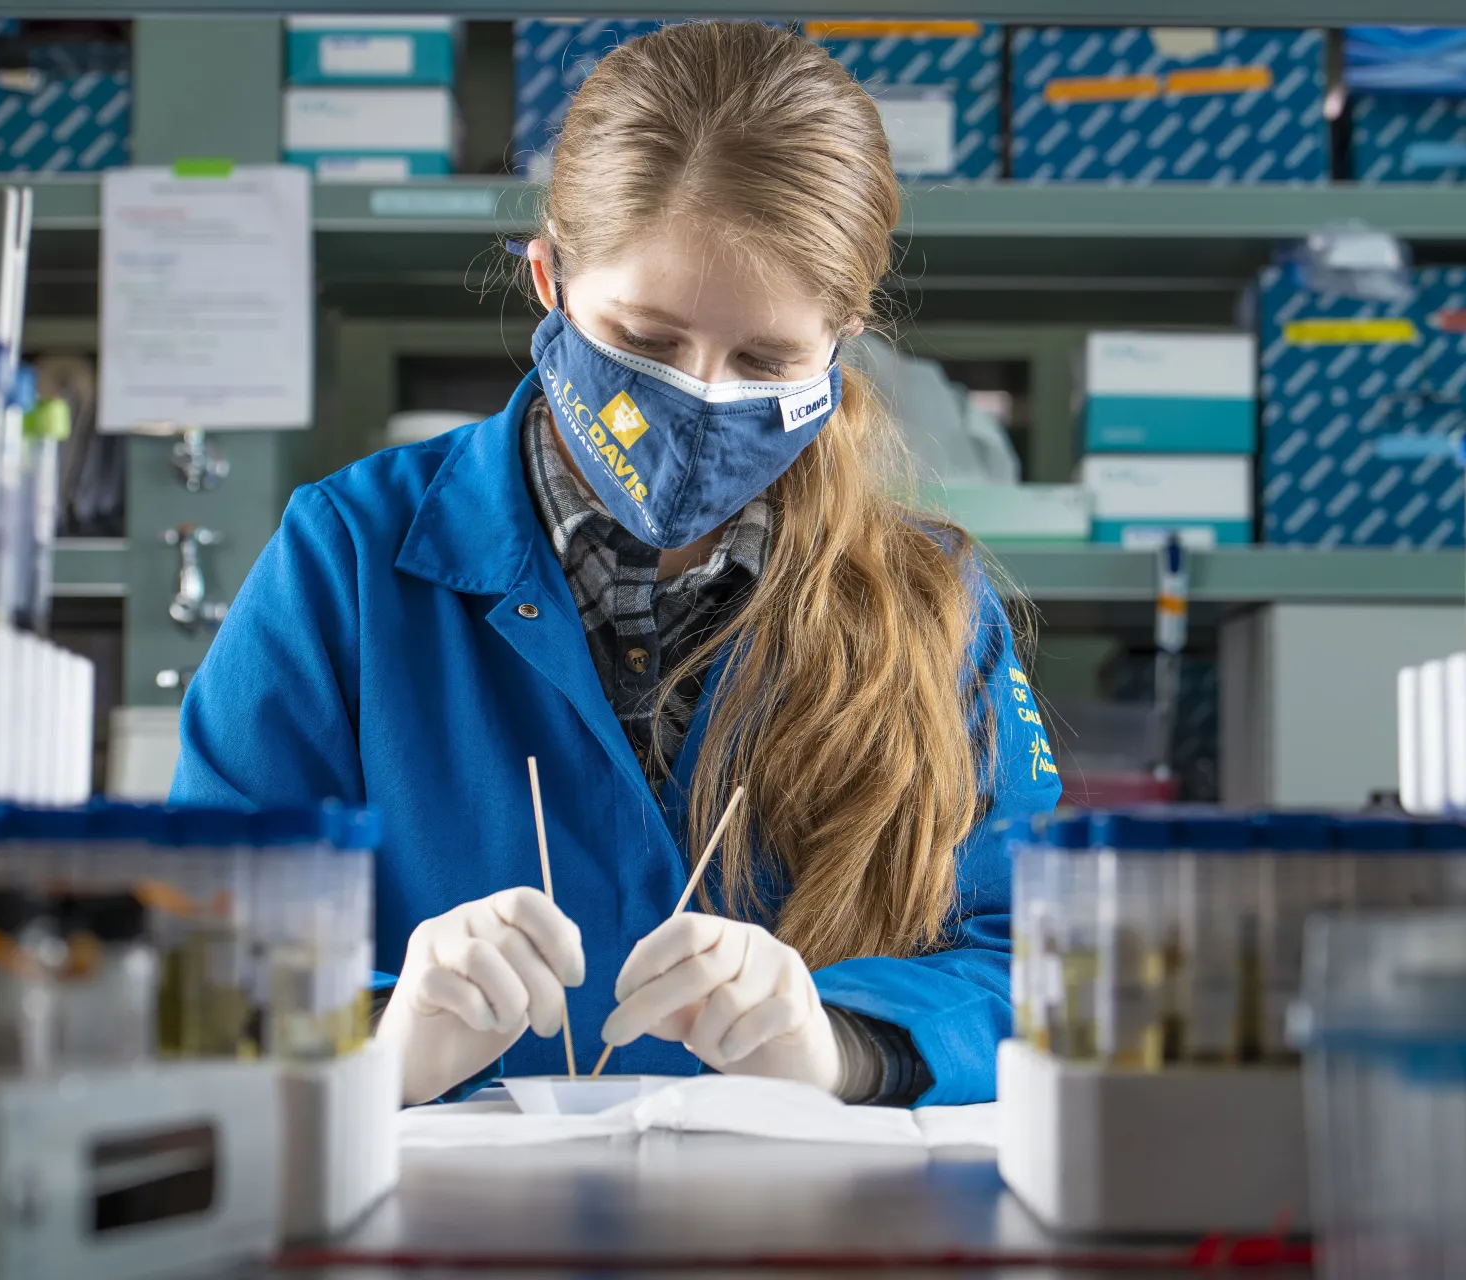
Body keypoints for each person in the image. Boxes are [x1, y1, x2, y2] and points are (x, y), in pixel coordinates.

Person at [171, 20, 1060, 1108]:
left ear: (844, 342)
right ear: (549, 278)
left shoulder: (933, 606)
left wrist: (845, 1044)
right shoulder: (347, 560)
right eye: (644, 342)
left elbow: (1042, 959)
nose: (700, 399)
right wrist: (375, 1041)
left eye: (766, 361)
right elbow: (202, 950)